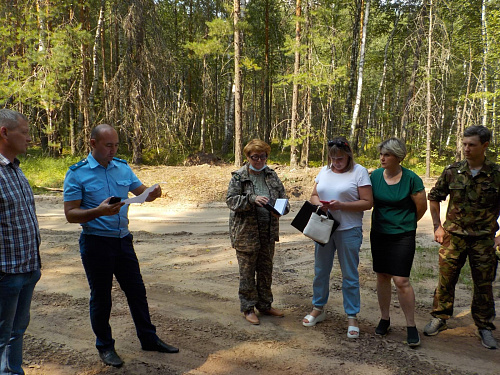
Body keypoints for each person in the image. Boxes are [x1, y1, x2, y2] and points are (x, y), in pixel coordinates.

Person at [63, 124, 178, 367]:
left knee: (137, 292)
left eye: (116, 145)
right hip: (96, 243)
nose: (113, 150)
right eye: (108, 146)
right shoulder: (77, 173)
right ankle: (105, 347)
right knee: (102, 298)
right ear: (93, 144)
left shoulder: (123, 168)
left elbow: (141, 193)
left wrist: (152, 193)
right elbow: (71, 214)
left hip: (123, 240)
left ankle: (149, 339)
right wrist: (98, 211)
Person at [424, 125, 500, 350]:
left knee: (484, 284)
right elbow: (435, 197)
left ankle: (484, 325)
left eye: (471, 145)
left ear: (484, 146)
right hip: (453, 237)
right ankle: (440, 317)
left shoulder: (496, 175)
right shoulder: (452, 171)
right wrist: (437, 227)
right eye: (464, 144)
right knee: (446, 279)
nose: (466, 149)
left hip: (484, 239)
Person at [302, 137, 373, 339]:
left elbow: (368, 202)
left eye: (340, 158)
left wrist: (342, 206)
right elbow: (313, 195)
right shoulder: (324, 171)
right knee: (320, 270)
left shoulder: (359, 172)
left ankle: (351, 316)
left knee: (349, 274)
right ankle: (318, 308)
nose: (336, 162)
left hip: (349, 230)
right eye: (333, 158)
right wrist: (320, 205)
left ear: (348, 156)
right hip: (325, 228)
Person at [370, 138, 427, 347]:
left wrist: (405, 223)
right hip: (379, 233)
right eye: (381, 154)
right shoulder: (375, 176)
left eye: (387, 155)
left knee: (401, 280)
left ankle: (411, 326)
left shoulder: (412, 179)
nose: (382, 158)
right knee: (382, 276)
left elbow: (421, 208)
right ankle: (385, 319)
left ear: (398, 157)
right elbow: (370, 202)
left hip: (403, 235)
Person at [226, 139, 290, 325]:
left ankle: (265, 305)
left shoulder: (271, 175)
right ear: (247, 157)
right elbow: (231, 201)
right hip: (246, 233)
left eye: (263, 157)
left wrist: (279, 209)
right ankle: (248, 308)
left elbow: (284, 200)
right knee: (247, 272)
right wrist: (252, 199)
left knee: (265, 270)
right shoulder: (239, 177)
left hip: (268, 231)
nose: (260, 161)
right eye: (255, 157)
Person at [0, 109, 41, 375]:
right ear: (4, 132)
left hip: (27, 269)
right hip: (5, 274)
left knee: (16, 331)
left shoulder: (15, 169)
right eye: (24, 133)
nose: (29, 139)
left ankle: (13, 372)